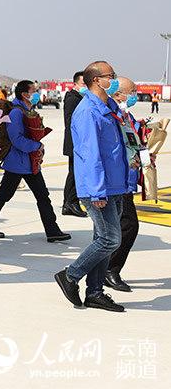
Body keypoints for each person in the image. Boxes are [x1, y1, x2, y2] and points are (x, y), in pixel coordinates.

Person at [54, 62, 128, 312]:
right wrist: (96, 190)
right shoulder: (87, 111)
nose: (115, 80)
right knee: (110, 239)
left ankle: (95, 292)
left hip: (115, 184)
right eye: (111, 76)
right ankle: (71, 275)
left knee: (103, 238)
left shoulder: (108, 106)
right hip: (99, 187)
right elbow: (89, 153)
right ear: (97, 80)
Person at [0, 80, 70, 242]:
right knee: (5, 194)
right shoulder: (16, 113)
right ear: (24, 94)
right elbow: (16, 139)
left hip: (29, 162)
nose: (36, 94)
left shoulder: (28, 109)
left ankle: (52, 230)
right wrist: (37, 145)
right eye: (33, 91)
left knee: (42, 195)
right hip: (17, 162)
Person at [106, 77, 142, 292]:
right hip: (117, 181)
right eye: (132, 92)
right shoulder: (113, 116)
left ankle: (106, 270)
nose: (135, 95)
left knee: (120, 227)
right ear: (118, 95)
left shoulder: (125, 115)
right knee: (128, 226)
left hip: (127, 178)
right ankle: (109, 270)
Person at [62, 71, 88, 218]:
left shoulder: (80, 97)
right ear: (75, 84)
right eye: (83, 84)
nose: (85, 87)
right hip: (75, 142)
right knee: (74, 174)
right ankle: (71, 202)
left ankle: (70, 202)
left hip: (77, 142)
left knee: (75, 173)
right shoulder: (73, 98)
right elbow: (71, 122)